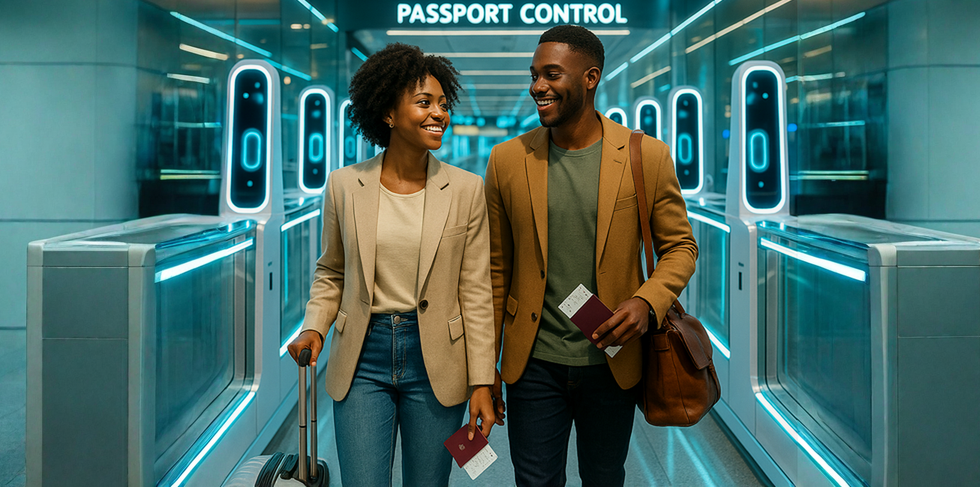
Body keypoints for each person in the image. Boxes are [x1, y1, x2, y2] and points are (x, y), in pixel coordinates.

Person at [484, 25, 699, 486]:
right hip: (533, 362)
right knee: (535, 481)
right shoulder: (507, 160)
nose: (537, 86)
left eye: (552, 74)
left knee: (604, 477)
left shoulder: (646, 155)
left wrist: (647, 301)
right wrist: (487, 368)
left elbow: (680, 247)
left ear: (590, 77)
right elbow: (496, 270)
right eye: (534, 74)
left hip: (612, 357)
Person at [288, 43, 496, 487]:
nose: (438, 113)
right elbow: (332, 272)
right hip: (363, 354)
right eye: (424, 103)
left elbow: (476, 291)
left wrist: (482, 381)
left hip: (437, 356)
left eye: (443, 104)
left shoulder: (465, 189)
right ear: (388, 113)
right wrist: (313, 327)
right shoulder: (345, 185)